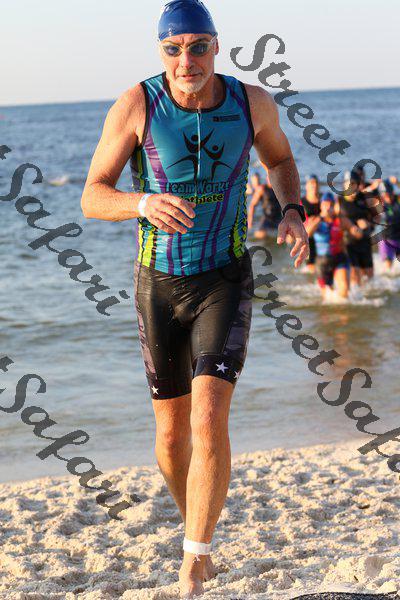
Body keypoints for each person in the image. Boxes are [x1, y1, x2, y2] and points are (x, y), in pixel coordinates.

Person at [80, 1, 309, 597]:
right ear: (162, 52)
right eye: (174, 49)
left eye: (198, 46)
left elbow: (281, 159)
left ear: (216, 46)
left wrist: (292, 209)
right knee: (171, 436)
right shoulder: (137, 104)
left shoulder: (251, 102)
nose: (187, 60)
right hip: (157, 282)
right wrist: (141, 203)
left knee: (208, 418)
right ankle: (197, 530)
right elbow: (92, 195)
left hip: (224, 278)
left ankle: (194, 561)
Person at [306, 193, 363, 299]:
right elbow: (307, 234)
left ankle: (345, 308)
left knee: (344, 290)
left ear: (334, 206)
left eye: (330, 205)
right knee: (327, 296)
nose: (328, 207)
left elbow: (358, 234)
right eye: (325, 204)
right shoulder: (315, 219)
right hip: (322, 262)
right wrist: (320, 219)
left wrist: (357, 230)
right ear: (321, 206)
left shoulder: (341, 220)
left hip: (340, 258)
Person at [339, 170, 377, 286]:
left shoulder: (364, 198)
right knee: (355, 277)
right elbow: (333, 222)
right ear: (344, 185)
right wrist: (350, 226)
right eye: (349, 183)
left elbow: (377, 216)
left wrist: (369, 225)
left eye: (354, 183)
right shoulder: (339, 201)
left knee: (370, 278)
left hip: (365, 243)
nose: (351, 187)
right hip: (349, 244)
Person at [247, 171, 281, 239]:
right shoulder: (261, 189)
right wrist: (250, 221)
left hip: (279, 218)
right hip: (267, 218)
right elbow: (253, 205)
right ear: (266, 178)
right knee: (259, 235)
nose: (271, 179)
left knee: (288, 237)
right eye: (269, 177)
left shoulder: (280, 189)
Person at [377, 179, 400, 270]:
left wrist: (397, 183)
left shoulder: (398, 200)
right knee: (388, 268)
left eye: (389, 194)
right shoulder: (379, 204)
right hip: (386, 241)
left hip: (399, 239)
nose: (388, 197)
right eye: (385, 195)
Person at [301, 174, 321, 273]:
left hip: (323, 233)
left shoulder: (324, 200)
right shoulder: (301, 202)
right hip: (308, 236)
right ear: (306, 186)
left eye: (316, 183)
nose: (314, 185)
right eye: (311, 183)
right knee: (311, 269)